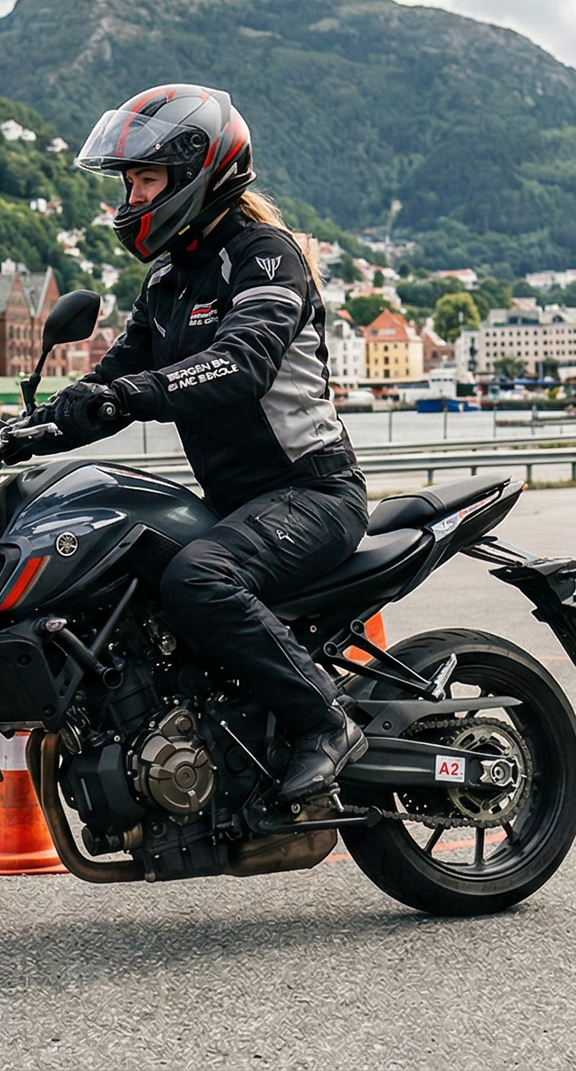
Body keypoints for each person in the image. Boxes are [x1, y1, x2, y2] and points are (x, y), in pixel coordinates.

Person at [38, 83, 369, 804]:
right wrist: (23, 430)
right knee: (126, 574)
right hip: (238, 507)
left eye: (146, 178)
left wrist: (129, 394)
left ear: (198, 173)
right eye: (129, 181)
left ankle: (327, 719)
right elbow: (117, 375)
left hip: (312, 495)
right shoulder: (166, 279)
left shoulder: (266, 257)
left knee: (197, 578)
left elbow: (244, 361)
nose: (131, 197)